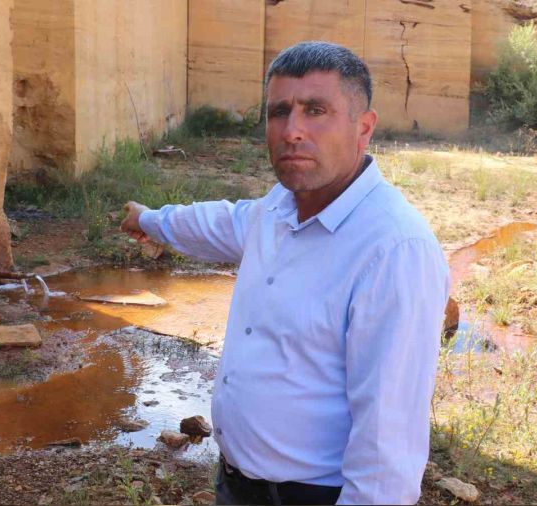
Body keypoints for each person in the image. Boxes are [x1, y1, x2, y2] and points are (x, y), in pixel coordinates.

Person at [121, 41, 449, 505]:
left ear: (364, 127)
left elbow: (387, 449)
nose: (292, 131)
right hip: (237, 486)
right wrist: (151, 220)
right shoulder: (279, 208)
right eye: (279, 112)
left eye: (316, 110)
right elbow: (222, 221)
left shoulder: (394, 250)